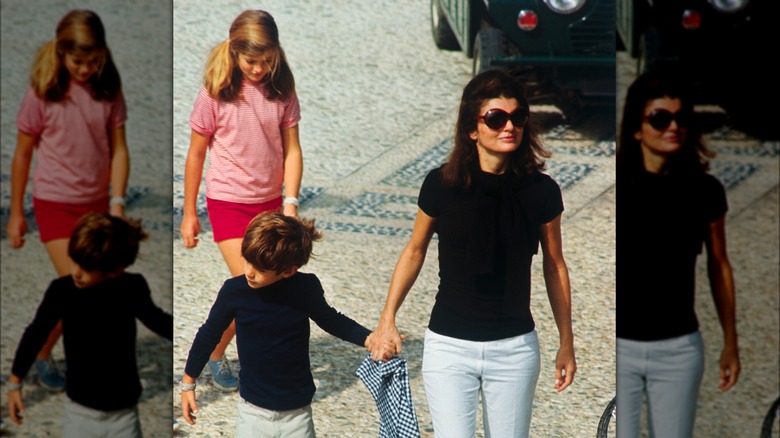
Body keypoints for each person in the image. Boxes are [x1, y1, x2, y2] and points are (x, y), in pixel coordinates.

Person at [368, 69, 577, 437]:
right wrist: (388, 318)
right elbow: (414, 251)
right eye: (496, 118)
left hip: (514, 348)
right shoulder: (441, 184)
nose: (509, 126)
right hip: (448, 347)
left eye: (518, 116)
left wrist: (566, 342)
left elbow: (554, 265)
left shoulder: (541, 191)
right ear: (471, 129)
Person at [5, 9, 130, 391]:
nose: (86, 68)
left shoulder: (108, 87)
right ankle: (42, 355)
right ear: (61, 53)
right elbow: (23, 154)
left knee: (97, 287)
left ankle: (52, 350)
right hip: (54, 204)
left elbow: (119, 150)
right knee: (78, 285)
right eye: (78, 61)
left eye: (94, 61)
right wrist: (16, 213)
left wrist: (118, 202)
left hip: (94, 206)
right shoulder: (42, 91)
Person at [179, 9, 303, 391]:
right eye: (252, 61)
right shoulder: (214, 91)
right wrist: (189, 213)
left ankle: (219, 350)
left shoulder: (281, 88)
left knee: (268, 284)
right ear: (234, 53)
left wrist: (291, 203)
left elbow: (293, 150)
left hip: (268, 204)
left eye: (268, 60)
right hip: (228, 203)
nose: (260, 69)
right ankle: (233, 360)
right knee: (252, 283)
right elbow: (196, 154)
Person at [180, 212, 385, 437]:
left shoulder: (305, 288)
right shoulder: (234, 291)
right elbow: (209, 334)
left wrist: (369, 338)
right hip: (252, 413)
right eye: (247, 260)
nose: (248, 271)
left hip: (297, 413)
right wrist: (188, 382)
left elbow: (331, 320)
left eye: (259, 269)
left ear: (288, 271)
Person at [616, 69, 740, 437]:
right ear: (637, 127)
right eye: (660, 117)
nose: (673, 126)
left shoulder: (706, 191)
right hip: (619, 348)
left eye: (682, 117)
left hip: (679, 349)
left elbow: (719, 265)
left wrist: (730, 342)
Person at [6, 212, 172, 437]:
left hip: (124, 414)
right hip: (79, 413)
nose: (76, 272)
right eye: (75, 261)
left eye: (86, 267)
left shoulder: (131, 288)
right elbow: (36, 332)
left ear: (115, 270)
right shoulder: (62, 291)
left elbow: (158, 321)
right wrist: (15, 381)